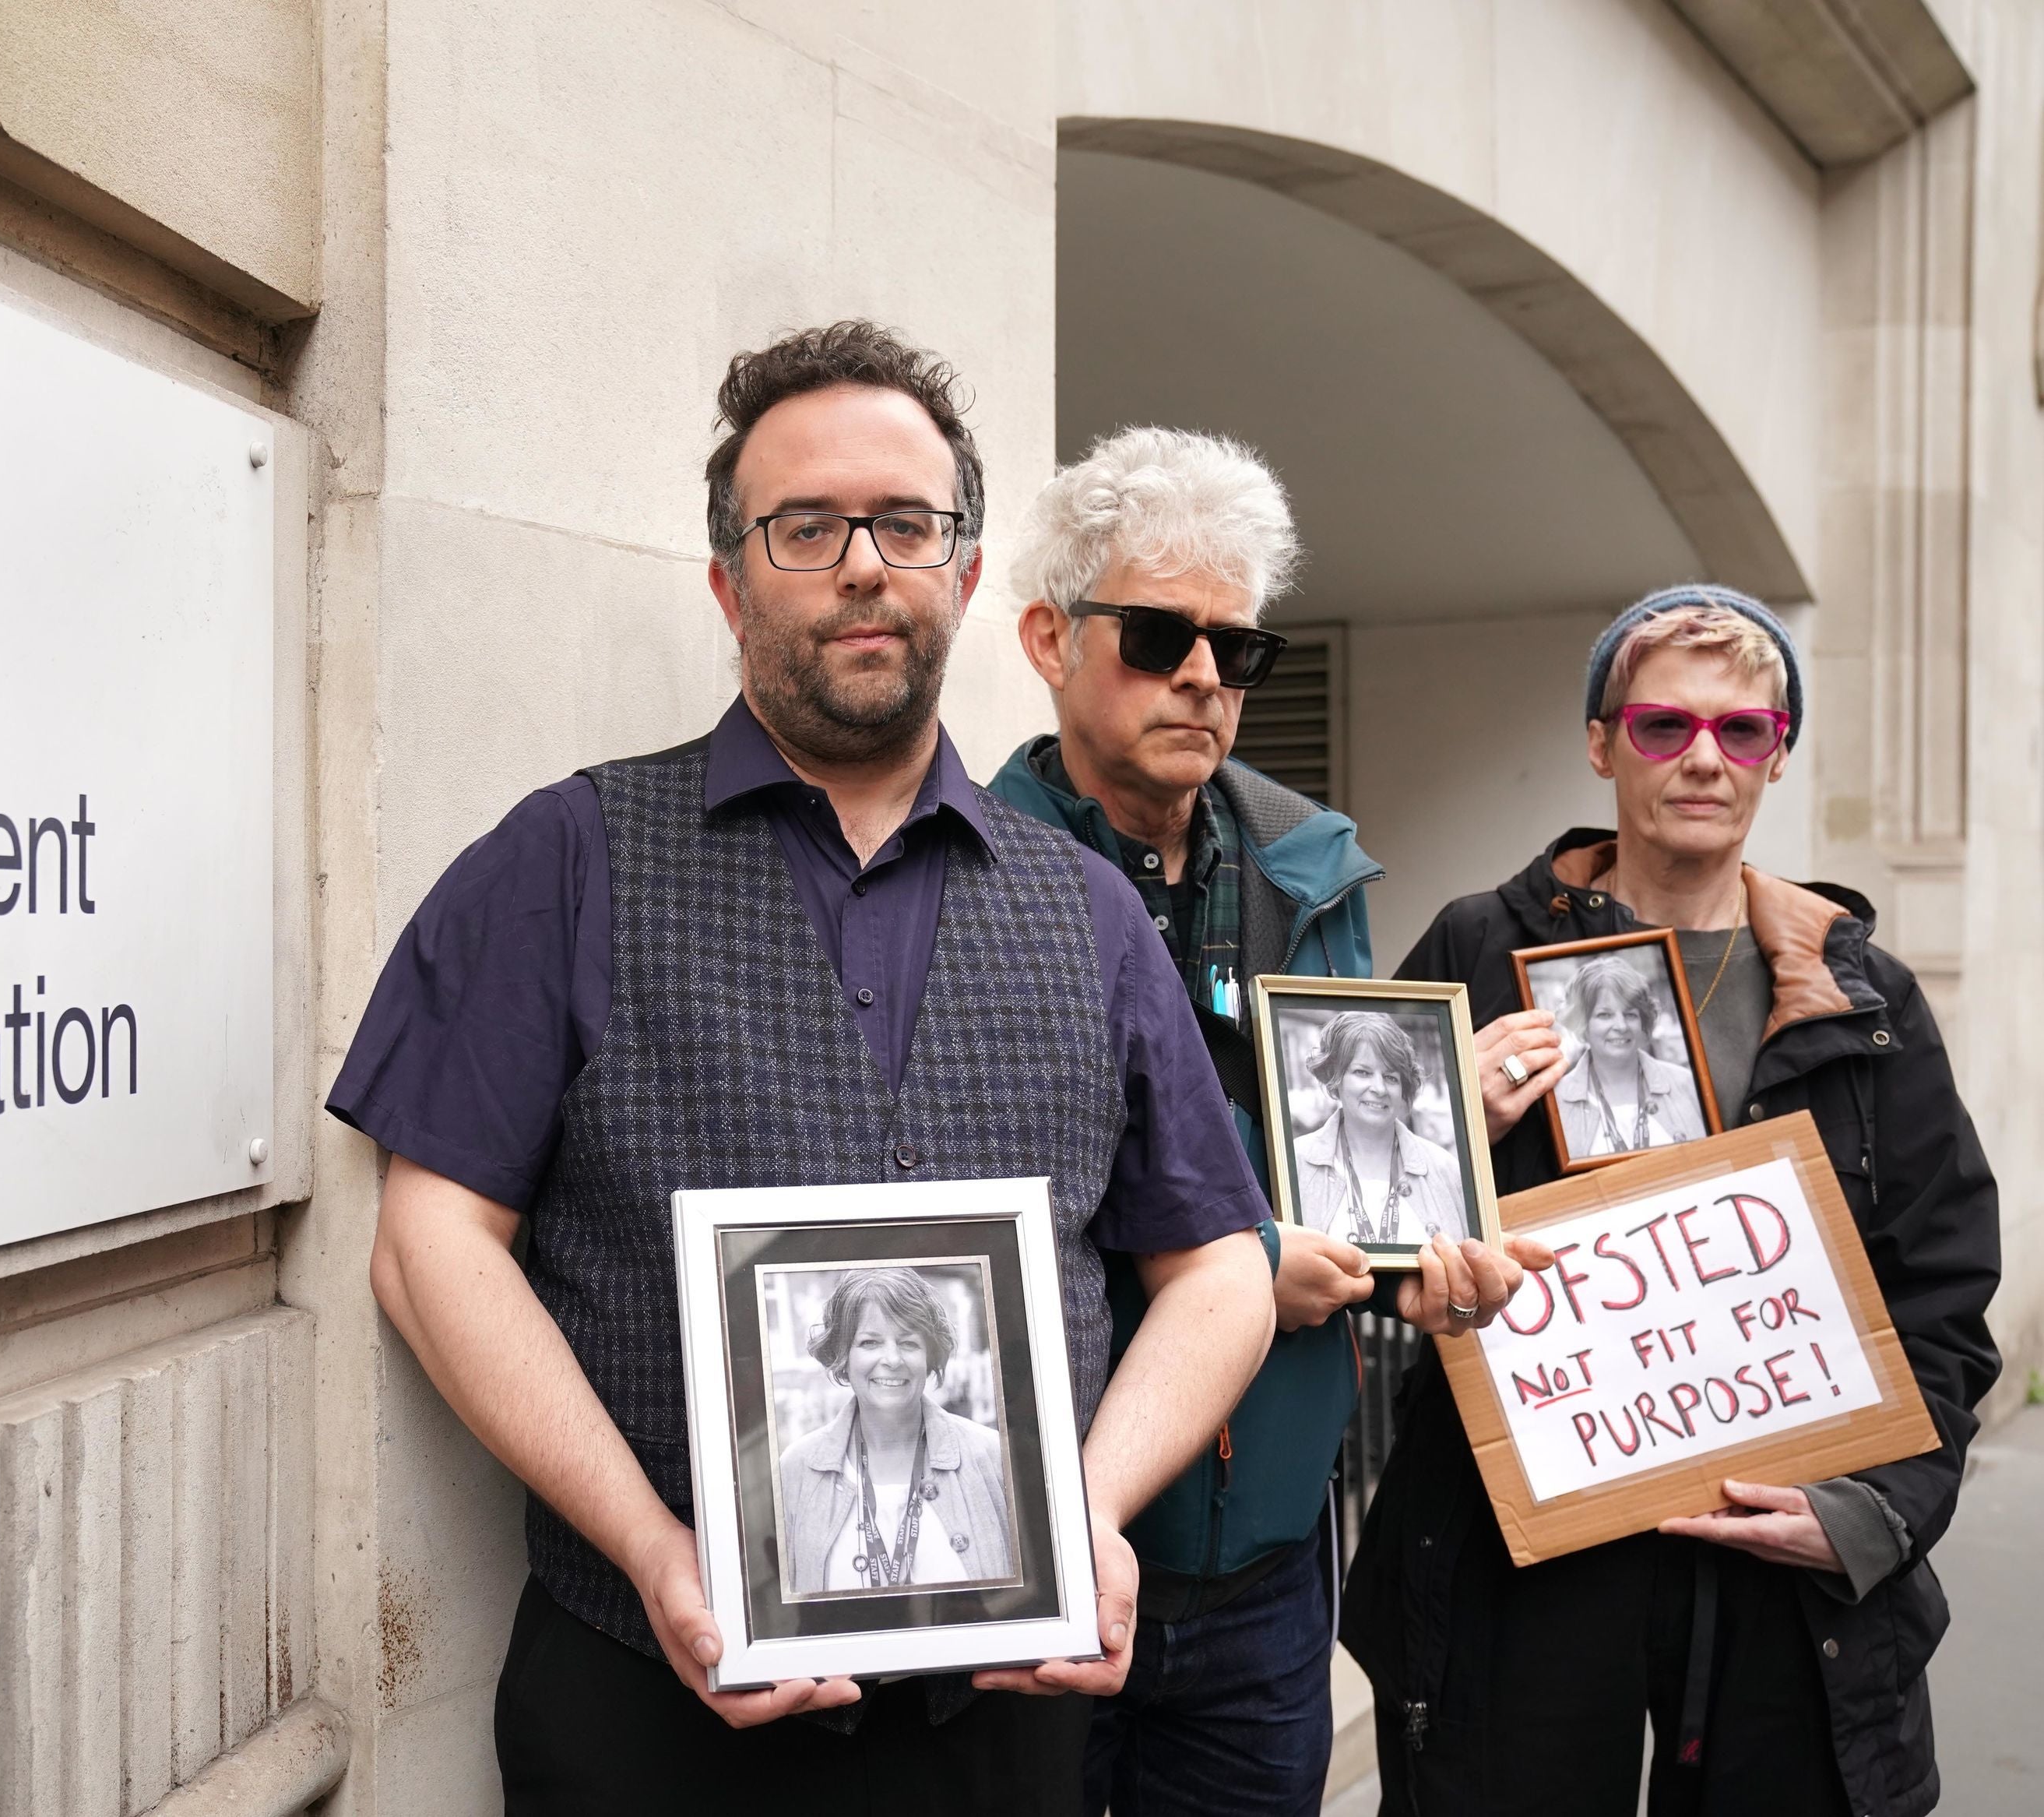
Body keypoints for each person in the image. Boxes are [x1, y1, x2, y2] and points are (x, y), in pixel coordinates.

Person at [333, 324, 1280, 1815]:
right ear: (729, 579)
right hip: (645, 1707)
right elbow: (427, 1244)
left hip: (999, 1731)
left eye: (908, 524)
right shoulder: (564, 859)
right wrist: (654, 1548)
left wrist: (1084, 1510)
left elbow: (1219, 1264)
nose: (863, 563)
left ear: (966, 574)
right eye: (805, 526)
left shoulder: (1088, 910)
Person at [1343, 586, 2001, 1817]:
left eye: (1741, 731)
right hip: (1523, 1570)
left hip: (1780, 1583)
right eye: (1662, 727)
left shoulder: (1864, 996)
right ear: (1602, 745)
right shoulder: (1479, 948)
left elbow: (1943, 1296)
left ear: (1777, 756)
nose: (1704, 758)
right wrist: (1457, 1136)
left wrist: (1870, 1514)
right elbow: (1355, 1234)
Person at [987, 426, 1548, 1817]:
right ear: (1050, 637)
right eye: (1159, 634)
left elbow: (1338, 1150)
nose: (1200, 676)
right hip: (1041, 1539)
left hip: (1274, 1560)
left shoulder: (1311, 868)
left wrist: (1422, 1254)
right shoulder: (962, 869)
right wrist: (1245, 1260)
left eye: (1234, 649)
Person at [779, 1269, 1015, 1594]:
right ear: (842, 1355)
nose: (891, 1359)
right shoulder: (795, 1471)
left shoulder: (994, 1458)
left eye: (908, 1342)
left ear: (930, 1355)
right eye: (870, 1342)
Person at [1289, 1012, 1468, 1249]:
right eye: (1362, 1072)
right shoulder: (1295, 1163)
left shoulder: (1445, 1169)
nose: (1379, 1088)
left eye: (1391, 1077)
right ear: (1335, 1078)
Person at [1549, 954, 1709, 1158]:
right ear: (1582, 1024)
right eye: (1604, 1015)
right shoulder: (1557, 1101)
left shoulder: (1686, 1084)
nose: (1621, 1026)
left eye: (1630, 1014)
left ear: (1644, 1020)